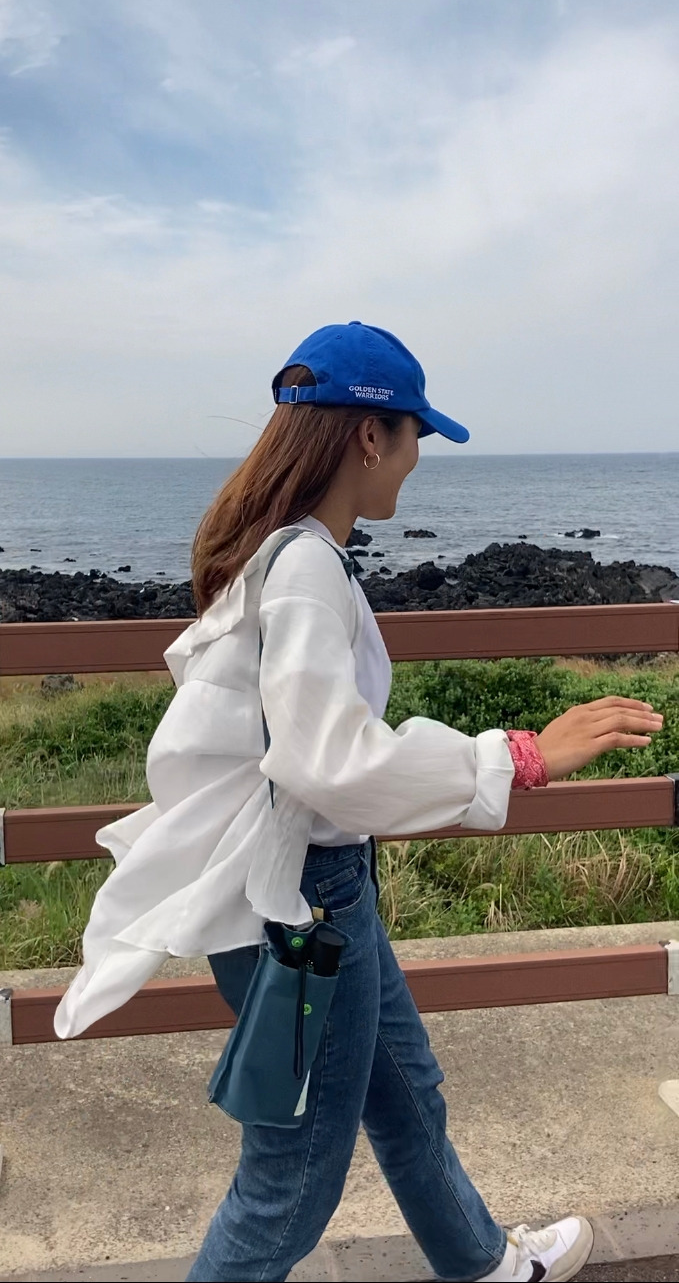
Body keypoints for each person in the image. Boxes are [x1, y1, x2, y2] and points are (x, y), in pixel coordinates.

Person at [56, 322, 663, 1283]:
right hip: (300, 907)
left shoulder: (283, 552)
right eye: (416, 434)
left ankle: (485, 1264)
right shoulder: (303, 568)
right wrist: (518, 755)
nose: (418, 459)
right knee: (289, 1183)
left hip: (314, 886)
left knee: (406, 1095)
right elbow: (326, 760)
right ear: (369, 435)